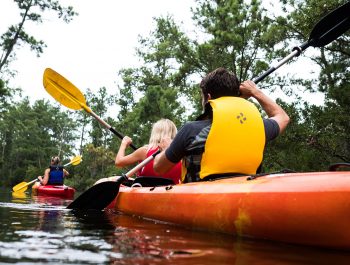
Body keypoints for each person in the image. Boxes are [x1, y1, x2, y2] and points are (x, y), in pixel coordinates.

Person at [153, 67, 290, 183]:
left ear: (208, 97)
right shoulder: (259, 128)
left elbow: (159, 167)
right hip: (242, 201)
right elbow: (283, 117)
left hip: (200, 203)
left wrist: (167, 148)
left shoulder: (191, 130)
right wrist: (255, 92)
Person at [98, 119, 182, 185]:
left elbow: (119, 162)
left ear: (155, 133)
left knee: (106, 180)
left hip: (146, 194)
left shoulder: (145, 151)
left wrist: (123, 144)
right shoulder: (181, 155)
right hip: (171, 195)